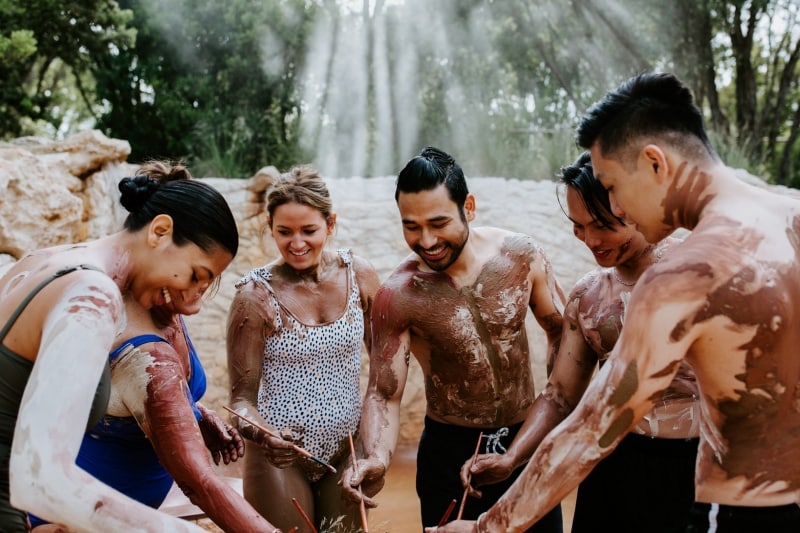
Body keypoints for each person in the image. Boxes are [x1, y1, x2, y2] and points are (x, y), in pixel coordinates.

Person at [431, 71, 800, 533]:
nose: (618, 208)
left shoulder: (681, 277)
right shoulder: (791, 221)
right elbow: (563, 398)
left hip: (735, 513)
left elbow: (590, 431)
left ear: (654, 163)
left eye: (612, 186)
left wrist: (488, 527)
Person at [456, 151, 701, 532]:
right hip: (613, 467)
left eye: (602, 225)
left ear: (635, 205)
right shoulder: (589, 297)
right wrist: (512, 458)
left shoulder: (700, 272)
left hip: (699, 466)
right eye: (578, 227)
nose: (591, 240)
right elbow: (560, 396)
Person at [28, 164, 281, 533]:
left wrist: (192, 413)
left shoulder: (157, 295)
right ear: (159, 235)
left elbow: (119, 400)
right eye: (197, 276)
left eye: (209, 281)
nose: (196, 301)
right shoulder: (143, 348)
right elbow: (200, 482)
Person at [342, 146, 566, 532]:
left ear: (469, 207)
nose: (427, 240)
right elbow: (383, 393)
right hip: (449, 453)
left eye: (438, 222)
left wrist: (555, 408)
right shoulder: (399, 295)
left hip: (526, 441)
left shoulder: (521, 258)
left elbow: (560, 332)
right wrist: (376, 457)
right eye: (411, 226)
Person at [226, 165, 381, 533]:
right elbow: (240, 402)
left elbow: (384, 377)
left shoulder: (359, 276)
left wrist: (374, 448)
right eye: (284, 232)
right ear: (270, 227)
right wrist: (263, 434)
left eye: (309, 231)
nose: (297, 243)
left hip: (346, 450)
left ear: (330, 224)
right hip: (280, 458)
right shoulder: (254, 296)